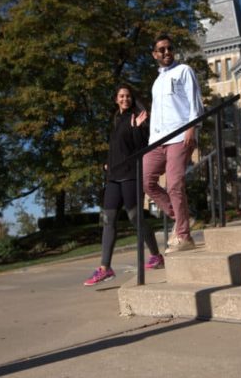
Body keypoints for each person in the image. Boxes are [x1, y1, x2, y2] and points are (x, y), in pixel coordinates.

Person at [83, 84, 164, 286]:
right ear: (116, 99)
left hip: (130, 175)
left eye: (128, 96)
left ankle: (156, 255)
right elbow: (117, 146)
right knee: (108, 219)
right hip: (113, 176)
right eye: (121, 96)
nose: (125, 99)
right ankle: (105, 268)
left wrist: (137, 127)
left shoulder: (136, 118)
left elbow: (141, 147)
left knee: (134, 217)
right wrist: (108, 162)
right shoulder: (116, 120)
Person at [143, 34, 203, 253]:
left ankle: (184, 236)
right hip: (157, 140)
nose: (166, 52)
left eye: (169, 48)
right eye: (161, 50)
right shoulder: (157, 82)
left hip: (179, 136)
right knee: (146, 181)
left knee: (174, 184)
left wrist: (191, 129)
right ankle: (182, 218)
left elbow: (195, 101)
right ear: (154, 55)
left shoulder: (184, 71)